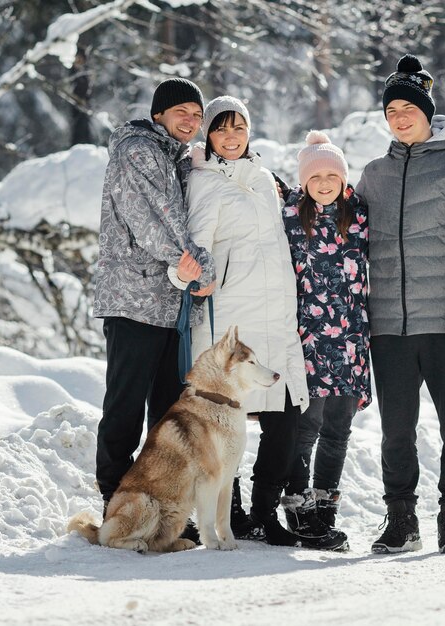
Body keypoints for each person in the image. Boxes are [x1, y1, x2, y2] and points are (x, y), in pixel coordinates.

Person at [356, 54, 445, 554]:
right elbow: (344, 238)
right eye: (391, 109)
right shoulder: (374, 174)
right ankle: (401, 521)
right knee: (396, 432)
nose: (399, 117)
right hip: (389, 327)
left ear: (426, 111)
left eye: (407, 108)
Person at [168, 95, 311, 547]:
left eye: (239, 128)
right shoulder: (203, 181)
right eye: (221, 128)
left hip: (276, 315)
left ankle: (264, 513)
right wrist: (189, 278)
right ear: (208, 136)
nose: (230, 137)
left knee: (284, 418)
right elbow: (196, 248)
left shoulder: (266, 178)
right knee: (221, 422)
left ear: (250, 133)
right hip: (230, 322)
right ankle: (229, 512)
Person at [93, 78, 215, 527]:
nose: (191, 120)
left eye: (197, 115)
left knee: (168, 414)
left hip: (169, 304)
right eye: (181, 110)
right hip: (133, 299)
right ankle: (115, 503)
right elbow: (154, 224)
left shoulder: (178, 158)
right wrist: (200, 267)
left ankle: (161, 506)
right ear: (159, 113)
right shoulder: (138, 152)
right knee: (124, 407)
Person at [279, 131, 371, 551]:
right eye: (316, 176)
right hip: (309, 341)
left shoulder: (359, 217)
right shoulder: (291, 219)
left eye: (333, 174)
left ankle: (324, 508)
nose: (325, 182)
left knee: (338, 430)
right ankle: (297, 507)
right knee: (306, 426)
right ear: (304, 182)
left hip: (351, 340)